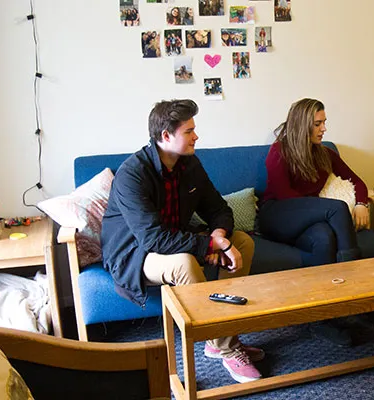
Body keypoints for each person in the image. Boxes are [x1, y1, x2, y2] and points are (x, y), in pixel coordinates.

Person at [101, 99, 262, 383]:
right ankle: (226, 347)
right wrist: (209, 247)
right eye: (189, 131)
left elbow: (218, 208)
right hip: (135, 252)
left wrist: (219, 236)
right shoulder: (132, 174)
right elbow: (152, 238)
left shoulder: (189, 164)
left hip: (174, 237)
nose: (196, 136)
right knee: (184, 263)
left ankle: (219, 340)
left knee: (243, 243)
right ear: (165, 136)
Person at [257, 98, 374, 347]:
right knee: (336, 209)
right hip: (277, 216)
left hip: (309, 221)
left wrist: (361, 203)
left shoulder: (324, 153)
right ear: (302, 125)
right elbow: (285, 196)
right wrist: (321, 212)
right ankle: (357, 296)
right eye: (318, 123)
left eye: (324, 122)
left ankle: (324, 318)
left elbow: (357, 181)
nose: (324, 129)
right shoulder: (279, 151)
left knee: (323, 236)